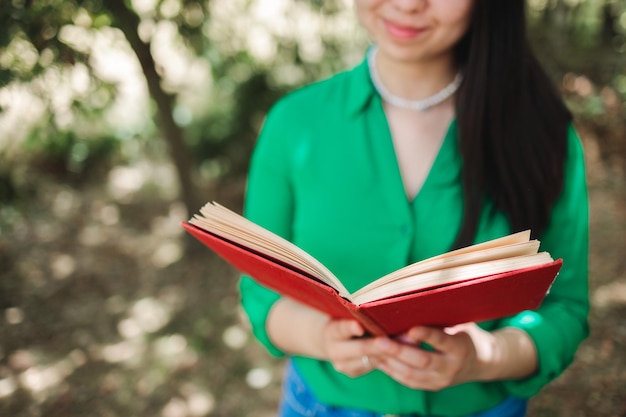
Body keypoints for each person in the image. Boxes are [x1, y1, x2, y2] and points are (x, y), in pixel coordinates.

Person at [239, 1, 589, 416]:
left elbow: (564, 306)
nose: (408, 4)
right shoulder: (294, 123)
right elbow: (260, 291)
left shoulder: (543, 135)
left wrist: (484, 356)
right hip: (321, 404)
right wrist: (323, 337)